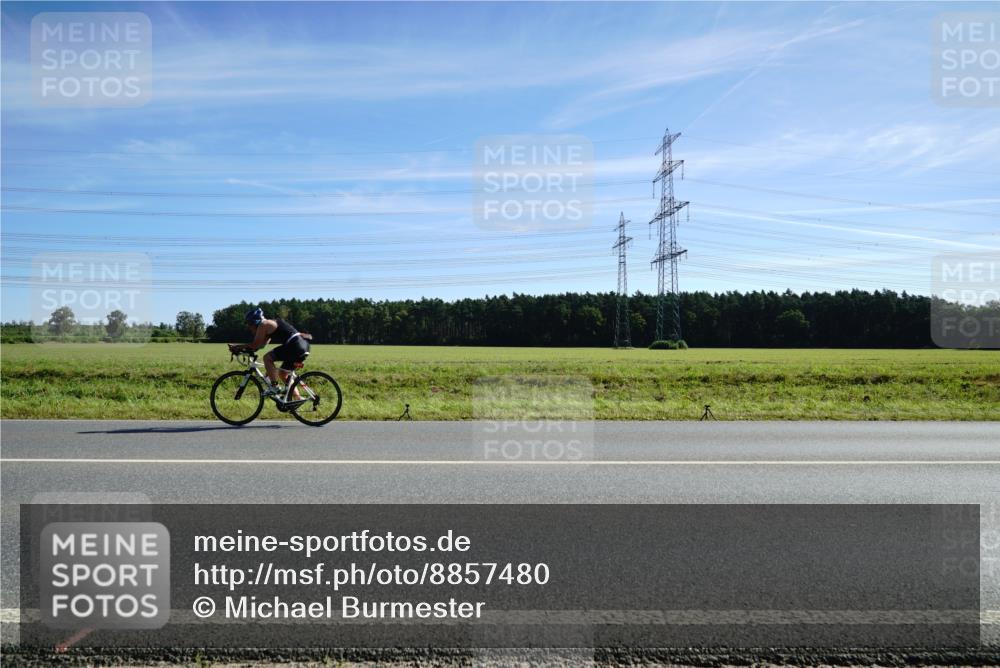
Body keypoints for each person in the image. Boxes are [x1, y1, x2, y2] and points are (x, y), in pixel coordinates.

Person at [239, 307, 311, 398]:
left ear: (254, 321)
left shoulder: (263, 324)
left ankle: (275, 387)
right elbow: (260, 345)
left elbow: (255, 344)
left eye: (249, 324)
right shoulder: (269, 325)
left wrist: (238, 347)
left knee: (267, 358)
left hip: (295, 345)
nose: (249, 327)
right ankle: (298, 399)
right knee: (282, 374)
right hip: (302, 346)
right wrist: (246, 349)